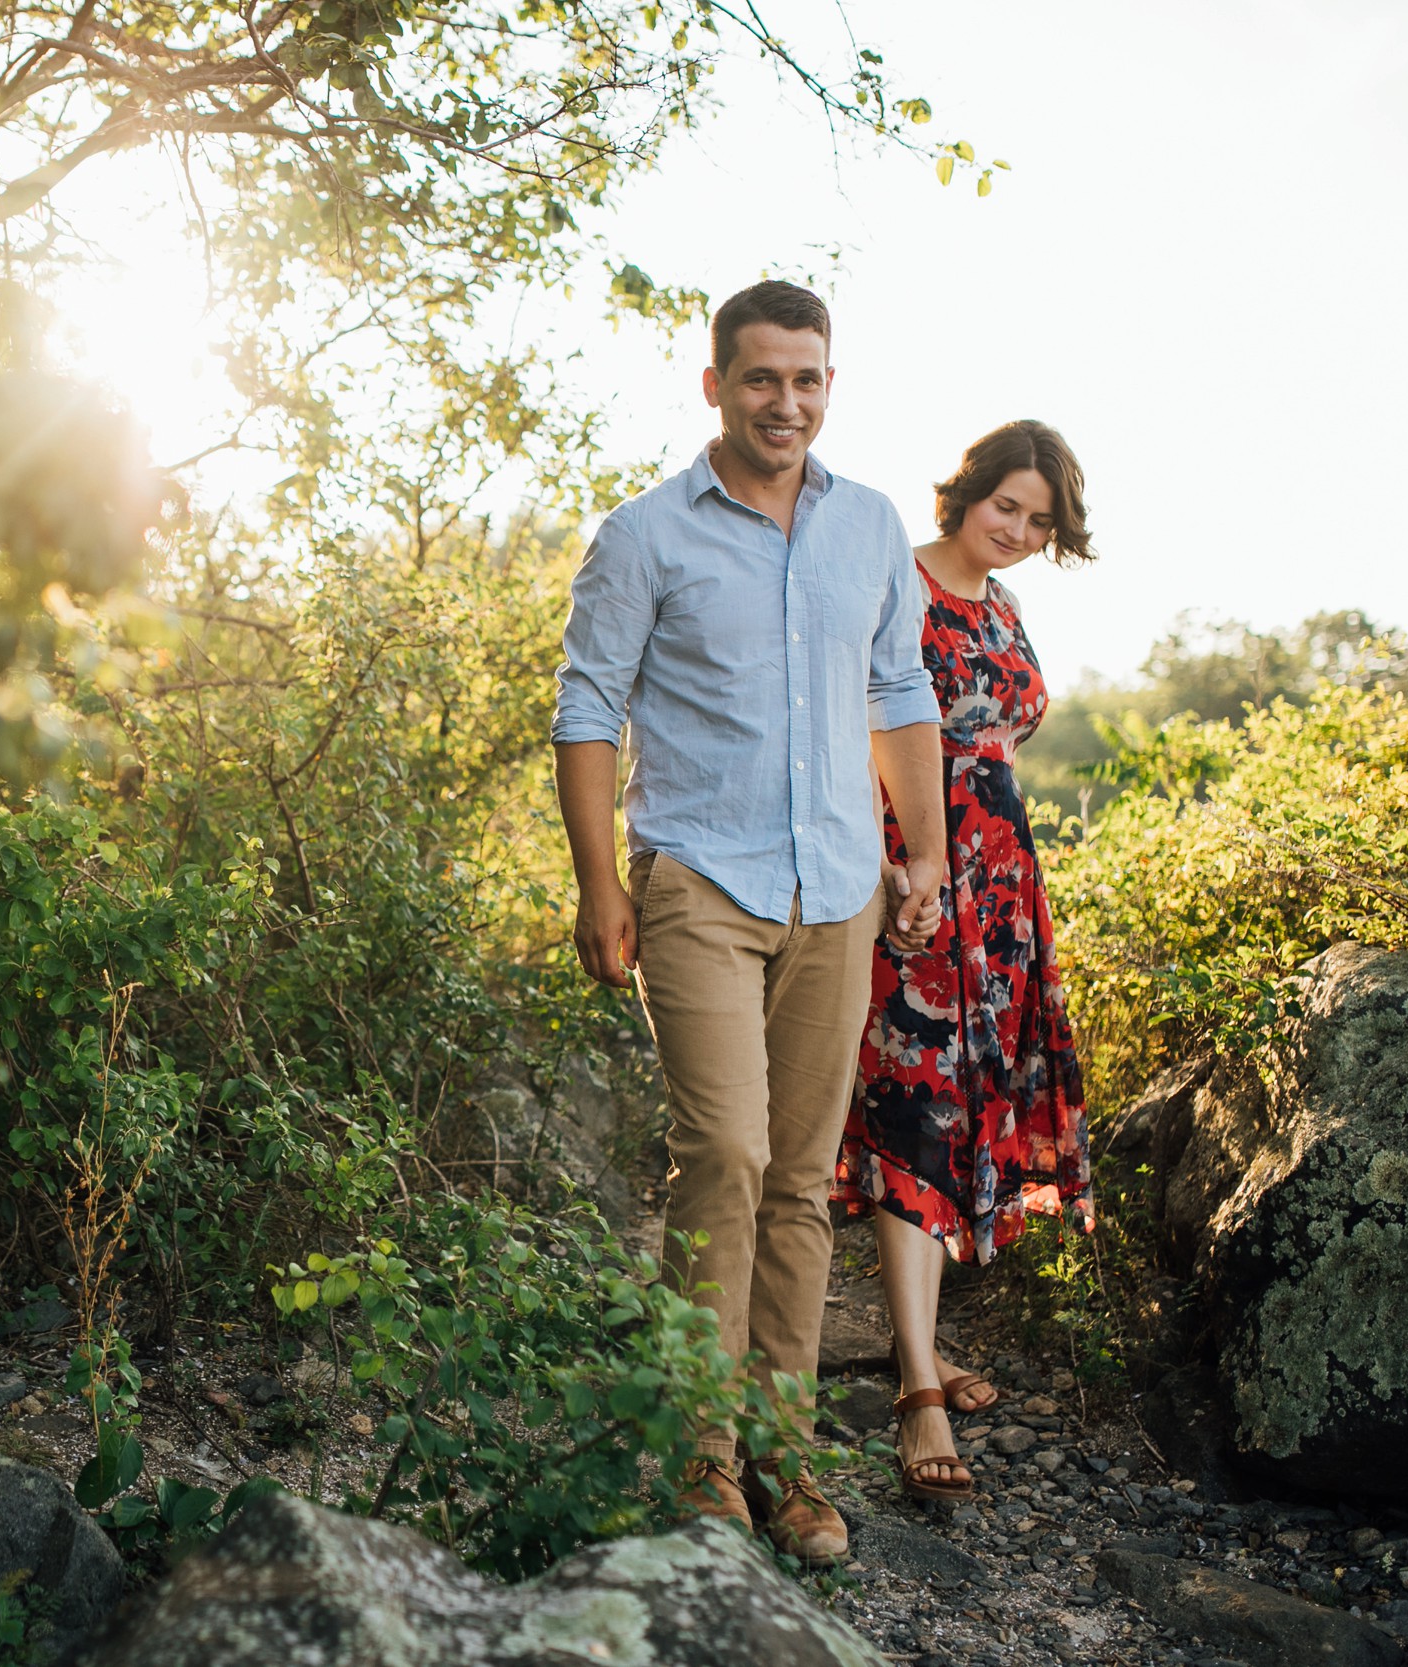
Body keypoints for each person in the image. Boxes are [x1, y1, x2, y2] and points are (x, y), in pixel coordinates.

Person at [551, 279, 951, 1563]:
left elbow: (900, 692)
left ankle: (784, 1455)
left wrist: (925, 850)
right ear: (715, 382)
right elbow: (585, 710)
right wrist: (598, 882)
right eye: (764, 377)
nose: (788, 402)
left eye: (810, 378)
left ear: (830, 384)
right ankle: (699, 1454)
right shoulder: (645, 536)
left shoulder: (872, 526)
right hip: (699, 886)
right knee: (720, 1151)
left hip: (835, 888)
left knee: (796, 1182)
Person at [831, 419, 1098, 1503]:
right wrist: (908, 870)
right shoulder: (895, 582)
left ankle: (921, 1343)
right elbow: (858, 722)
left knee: (960, 1103)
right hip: (912, 874)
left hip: (1001, 885)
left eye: (1039, 520)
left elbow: (1000, 741)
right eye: (1007, 507)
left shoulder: (1002, 603)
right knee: (914, 1107)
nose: (1019, 531)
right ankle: (916, 1387)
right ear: (966, 490)